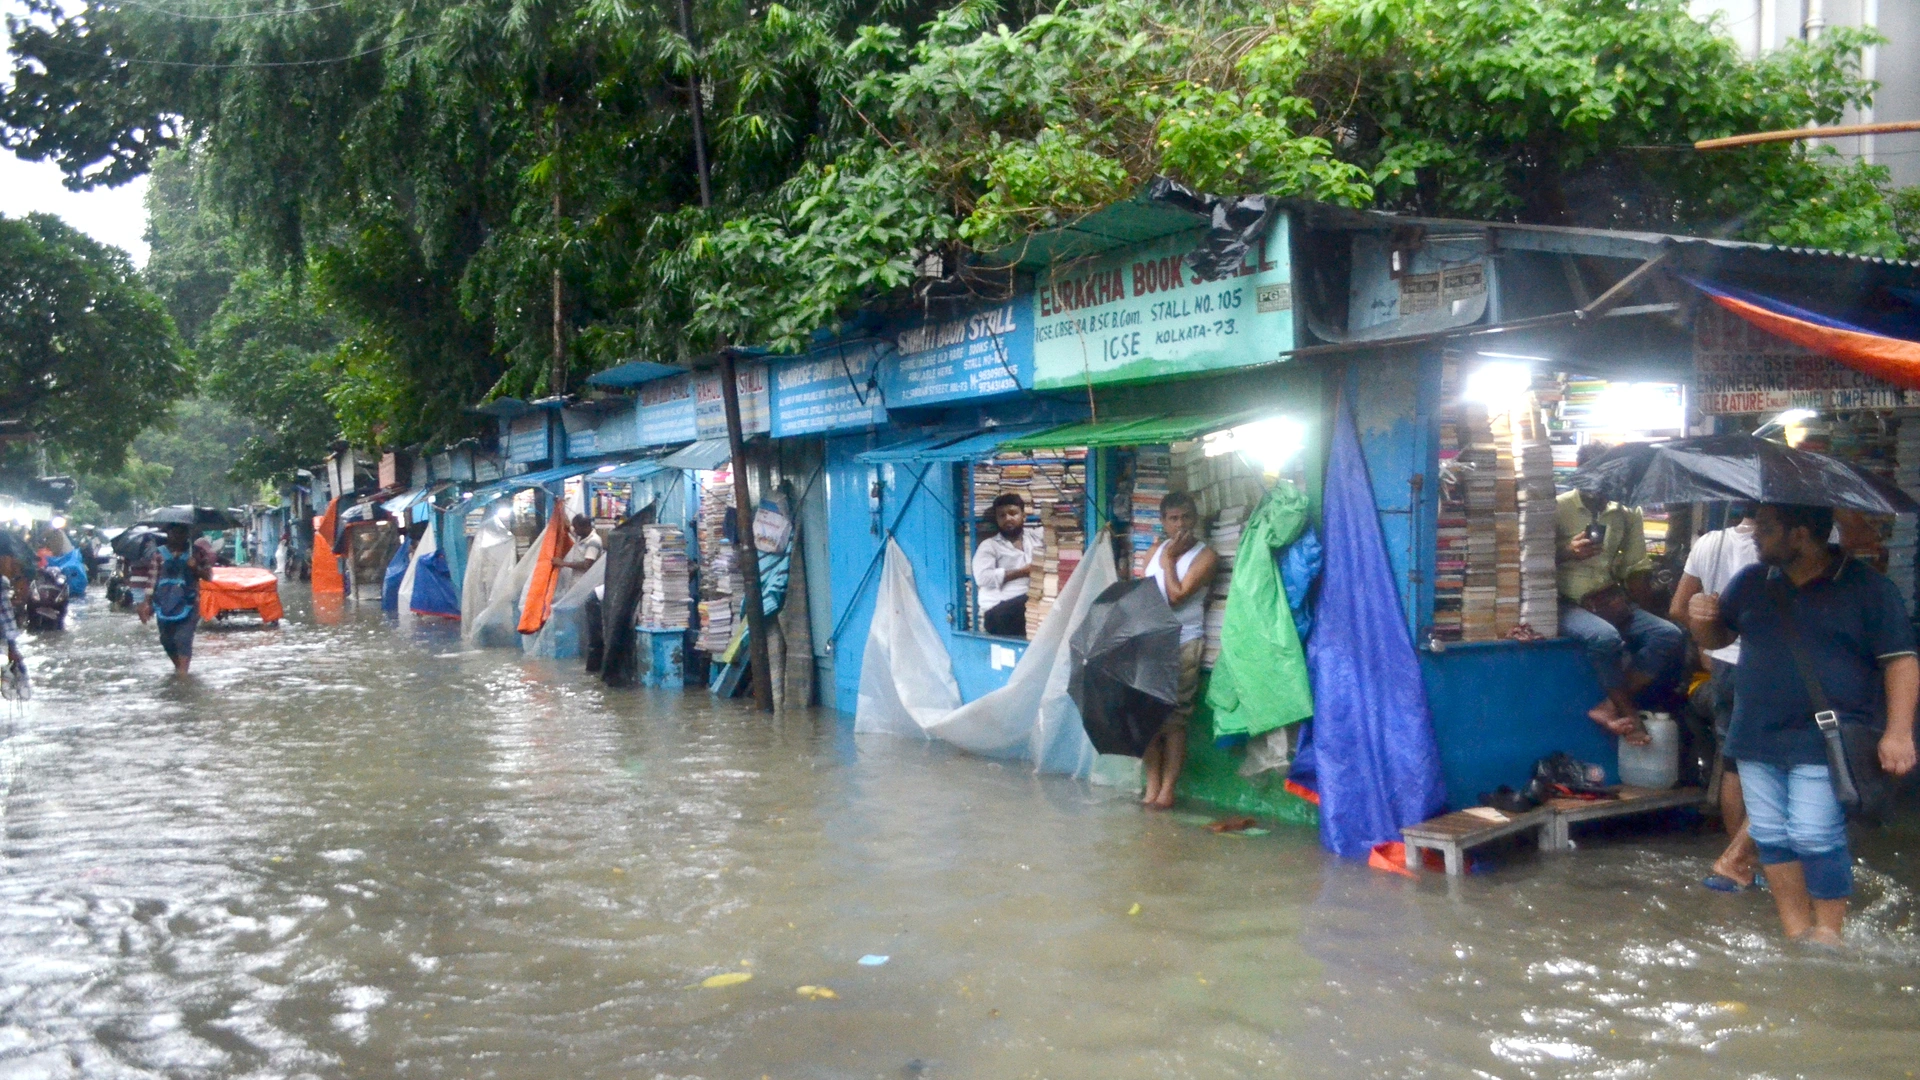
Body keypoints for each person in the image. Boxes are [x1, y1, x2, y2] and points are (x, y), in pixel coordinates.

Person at [1686, 503, 1918, 946]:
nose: (1754, 535)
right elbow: (1720, 639)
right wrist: (1702, 622)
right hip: (1756, 733)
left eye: (1767, 528)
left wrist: (1899, 732)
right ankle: (1797, 933)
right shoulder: (1751, 582)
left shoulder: (1868, 588)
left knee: (1813, 834)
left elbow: (1901, 662)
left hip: (1826, 735)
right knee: (1772, 837)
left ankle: (1830, 933)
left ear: (1800, 535)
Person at [1557, 448, 1685, 745]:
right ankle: (1629, 711)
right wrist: (1566, 552)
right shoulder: (1557, 508)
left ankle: (1608, 706)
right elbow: (1530, 562)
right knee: (1604, 638)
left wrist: (1652, 609)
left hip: (1608, 601)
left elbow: (1635, 569)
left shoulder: (1627, 514)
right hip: (1566, 603)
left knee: (1668, 634)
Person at [1670, 505, 1761, 891]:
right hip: (1766, 667)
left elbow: (1677, 607)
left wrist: (1706, 639)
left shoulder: (1711, 541)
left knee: (1733, 763)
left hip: (1723, 666)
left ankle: (1738, 859)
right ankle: (1746, 857)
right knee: (1773, 764)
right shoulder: (1795, 545)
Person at [1141, 491, 1218, 810]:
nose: (1180, 524)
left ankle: (1167, 790)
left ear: (1195, 519)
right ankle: (1152, 785)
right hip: (1149, 641)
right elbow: (1141, 591)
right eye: (1173, 518)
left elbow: (1177, 597)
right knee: (1146, 718)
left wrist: (1171, 559)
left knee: (1174, 721)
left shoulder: (1205, 556)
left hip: (1183, 641)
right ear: (1163, 521)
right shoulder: (1154, 550)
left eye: (1186, 517)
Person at [138, 523, 214, 675]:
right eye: (174, 533)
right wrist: (146, 603)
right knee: (166, 640)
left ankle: (183, 675)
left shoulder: (197, 553)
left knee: (183, 638)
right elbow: (152, 581)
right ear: (168, 534)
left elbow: (209, 576)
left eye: (182, 533)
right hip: (163, 604)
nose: (178, 537)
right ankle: (179, 667)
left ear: (187, 534)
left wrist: (195, 568)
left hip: (190, 603)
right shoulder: (158, 554)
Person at [971, 493, 1042, 638]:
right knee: (1032, 602)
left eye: (1013, 513)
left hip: (1028, 605)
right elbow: (982, 578)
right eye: (1002, 515)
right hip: (998, 611)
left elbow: (1055, 529)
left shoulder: (1034, 538)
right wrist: (1022, 572)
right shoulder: (990, 546)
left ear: (1023, 516)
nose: (1007, 519)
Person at [553, 513, 604, 596]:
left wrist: (563, 563)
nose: (575, 531)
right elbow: (568, 526)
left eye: (577, 528)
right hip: (577, 583)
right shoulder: (581, 536)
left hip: (587, 585)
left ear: (586, 527)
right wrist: (560, 507)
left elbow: (586, 565)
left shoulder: (593, 541)